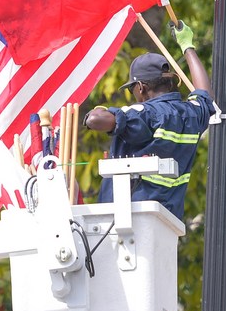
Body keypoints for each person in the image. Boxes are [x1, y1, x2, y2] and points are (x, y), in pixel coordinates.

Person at [83, 21, 214, 221]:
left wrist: (99, 110)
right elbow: (205, 94)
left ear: (142, 87)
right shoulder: (192, 114)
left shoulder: (144, 113)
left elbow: (94, 120)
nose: (132, 93)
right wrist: (188, 46)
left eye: (131, 88)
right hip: (167, 223)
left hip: (128, 222)